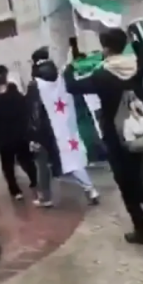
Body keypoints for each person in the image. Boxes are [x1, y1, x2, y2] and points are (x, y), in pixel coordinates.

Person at [63, 27, 143, 245]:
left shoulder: (102, 75)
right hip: (138, 133)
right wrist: (136, 36)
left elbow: (72, 86)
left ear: (106, 48)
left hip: (116, 138)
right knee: (135, 180)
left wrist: (69, 66)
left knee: (126, 184)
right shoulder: (135, 66)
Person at [26, 47, 100, 207]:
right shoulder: (61, 77)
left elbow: (34, 111)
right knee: (71, 158)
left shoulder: (35, 84)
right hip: (64, 126)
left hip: (45, 129)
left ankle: (46, 197)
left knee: (43, 164)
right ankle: (90, 189)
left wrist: (33, 135)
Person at [0, 73, 38, 200]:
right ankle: (15, 189)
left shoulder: (9, 97)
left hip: (16, 135)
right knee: (10, 165)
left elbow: (24, 113)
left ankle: (33, 181)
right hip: (7, 137)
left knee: (24, 161)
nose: (0, 88)